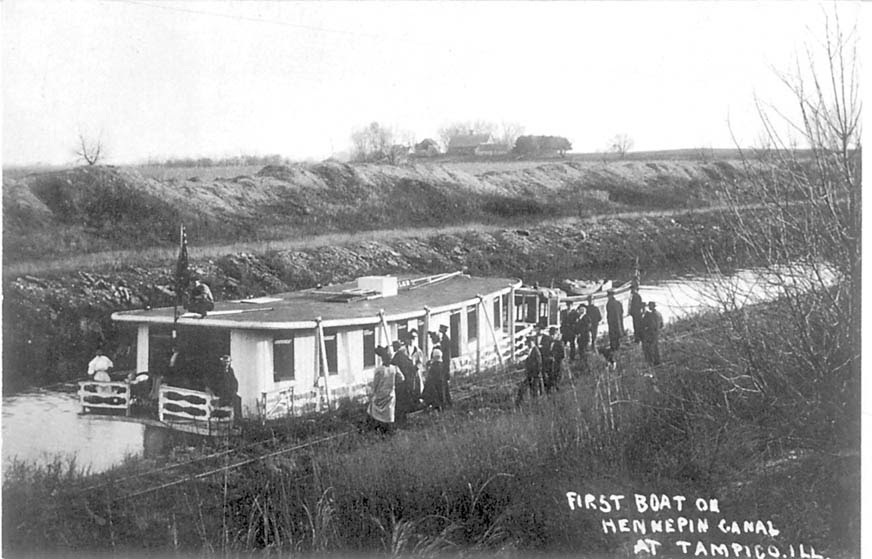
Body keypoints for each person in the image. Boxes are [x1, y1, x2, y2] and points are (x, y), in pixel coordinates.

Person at [367, 346, 405, 433]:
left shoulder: (379, 370)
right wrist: (393, 383)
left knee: (374, 410)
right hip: (390, 394)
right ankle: (388, 430)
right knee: (388, 413)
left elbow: (375, 384)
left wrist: (373, 393)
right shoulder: (394, 368)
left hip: (380, 394)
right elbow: (402, 379)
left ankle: (376, 428)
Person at [207, 355, 241, 419]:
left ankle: (238, 419)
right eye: (225, 362)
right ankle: (236, 418)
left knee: (238, 398)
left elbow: (234, 381)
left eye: (228, 362)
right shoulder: (219, 371)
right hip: (221, 393)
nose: (226, 364)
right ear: (222, 362)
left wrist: (234, 390)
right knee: (234, 399)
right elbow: (216, 382)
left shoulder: (231, 370)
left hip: (229, 393)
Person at [390, 340, 416, 420]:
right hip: (408, 379)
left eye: (394, 347)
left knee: (400, 399)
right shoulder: (404, 355)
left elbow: (391, 365)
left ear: (395, 347)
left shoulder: (398, 356)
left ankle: (401, 416)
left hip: (402, 381)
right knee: (406, 397)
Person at [518, 335, 542, 403]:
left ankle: (536, 403)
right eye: (527, 342)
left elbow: (538, 364)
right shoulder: (531, 351)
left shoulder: (536, 352)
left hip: (534, 375)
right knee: (526, 388)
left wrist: (535, 375)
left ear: (533, 342)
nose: (528, 344)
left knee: (534, 390)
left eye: (529, 342)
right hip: (529, 374)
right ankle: (520, 402)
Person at [640, 301, 664, 366]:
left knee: (651, 348)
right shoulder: (659, 314)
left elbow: (647, 325)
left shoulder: (651, 315)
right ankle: (657, 361)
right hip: (657, 333)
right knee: (656, 347)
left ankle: (653, 362)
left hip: (652, 333)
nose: (649, 307)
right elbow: (662, 325)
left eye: (650, 306)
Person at [406, 330, 426, 402]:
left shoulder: (418, 351)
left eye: (413, 338)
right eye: (410, 338)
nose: (411, 340)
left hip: (416, 373)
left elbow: (420, 362)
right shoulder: (404, 350)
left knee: (417, 388)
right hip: (407, 374)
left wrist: (416, 368)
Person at [548, 326, 565, 391]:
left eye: (553, 335)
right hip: (550, 362)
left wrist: (555, 357)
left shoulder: (559, 343)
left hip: (557, 362)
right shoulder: (549, 342)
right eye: (551, 335)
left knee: (557, 374)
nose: (552, 336)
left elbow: (562, 354)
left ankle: (557, 386)